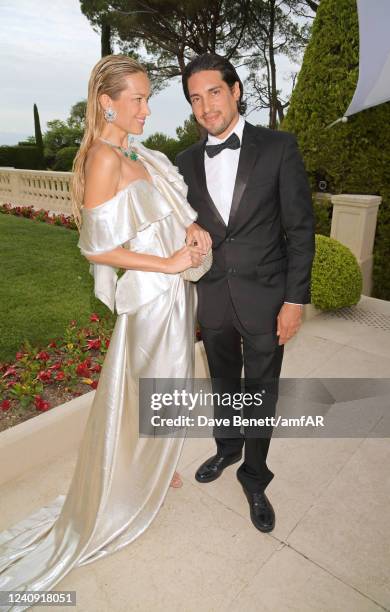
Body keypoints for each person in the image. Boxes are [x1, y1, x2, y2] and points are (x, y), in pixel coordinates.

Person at [0, 54, 211, 604]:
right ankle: (135, 477)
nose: (145, 109)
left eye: (147, 98)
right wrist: (166, 264)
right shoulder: (102, 158)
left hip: (173, 294)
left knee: (165, 384)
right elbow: (96, 245)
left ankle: (154, 464)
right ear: (107, 103)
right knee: (146, 385)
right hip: (152, 298)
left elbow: (165, 208)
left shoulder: (133, 150)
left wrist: (191, 232)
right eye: (137, 99)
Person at [176, 53, 315, 533]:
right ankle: (227, 448)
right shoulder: (185, 162)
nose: (206, 106)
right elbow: (180, 221)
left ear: (235, 91)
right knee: (223, 384)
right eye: (196, 97)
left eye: (214, 92)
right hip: (213, 300)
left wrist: (295, 301)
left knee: (261, 393)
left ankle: (255, 476)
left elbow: (300, 230)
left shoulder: (278, 147)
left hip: (268, 299)